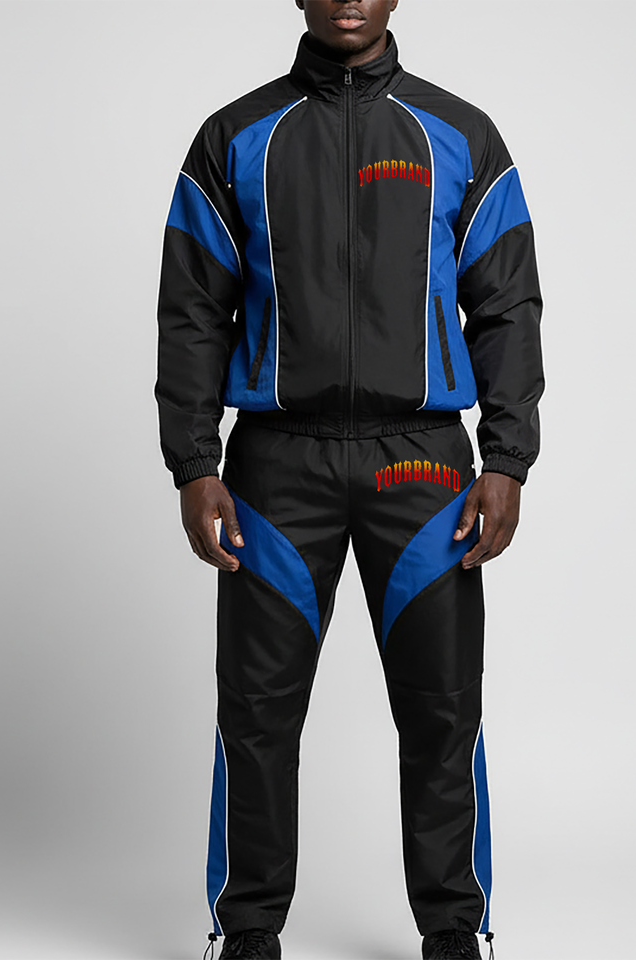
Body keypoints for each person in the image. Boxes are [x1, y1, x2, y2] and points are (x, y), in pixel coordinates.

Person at [155, 1, 544, 957]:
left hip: (425, 465)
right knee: (256, 713)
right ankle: (246, 932)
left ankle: (454, 932)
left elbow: (507, 304)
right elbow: (192, 307)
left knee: (444, 708)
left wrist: (506, 456)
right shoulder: (234, 138)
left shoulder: (462, 136)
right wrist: (194, 463)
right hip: (275, 467)